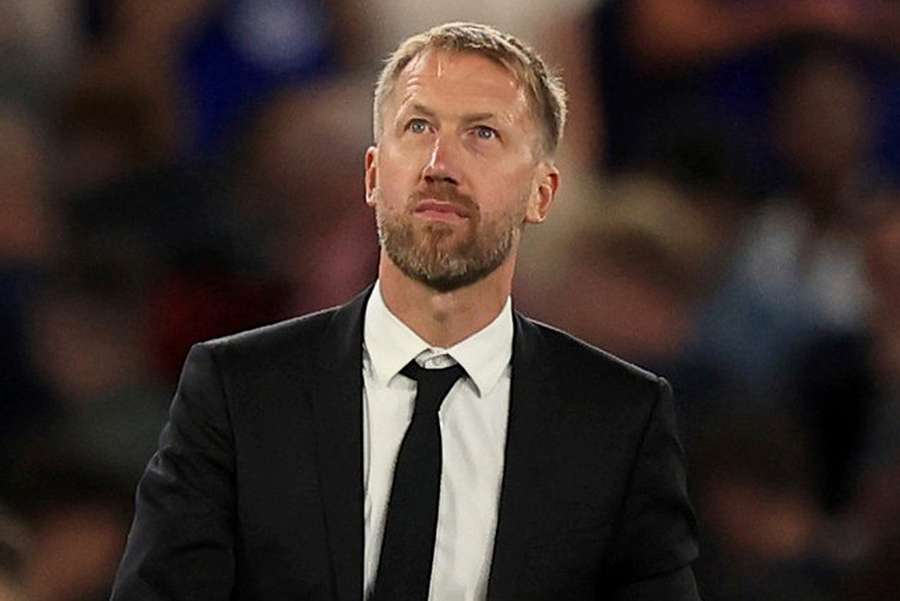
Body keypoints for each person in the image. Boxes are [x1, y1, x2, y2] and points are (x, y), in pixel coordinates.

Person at [110, 22, 700, 601]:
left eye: (483, 134)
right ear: (372, 175)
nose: (439, 163)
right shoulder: (239, 391)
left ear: (541, 193)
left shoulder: (620, 418)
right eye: (417, 127)